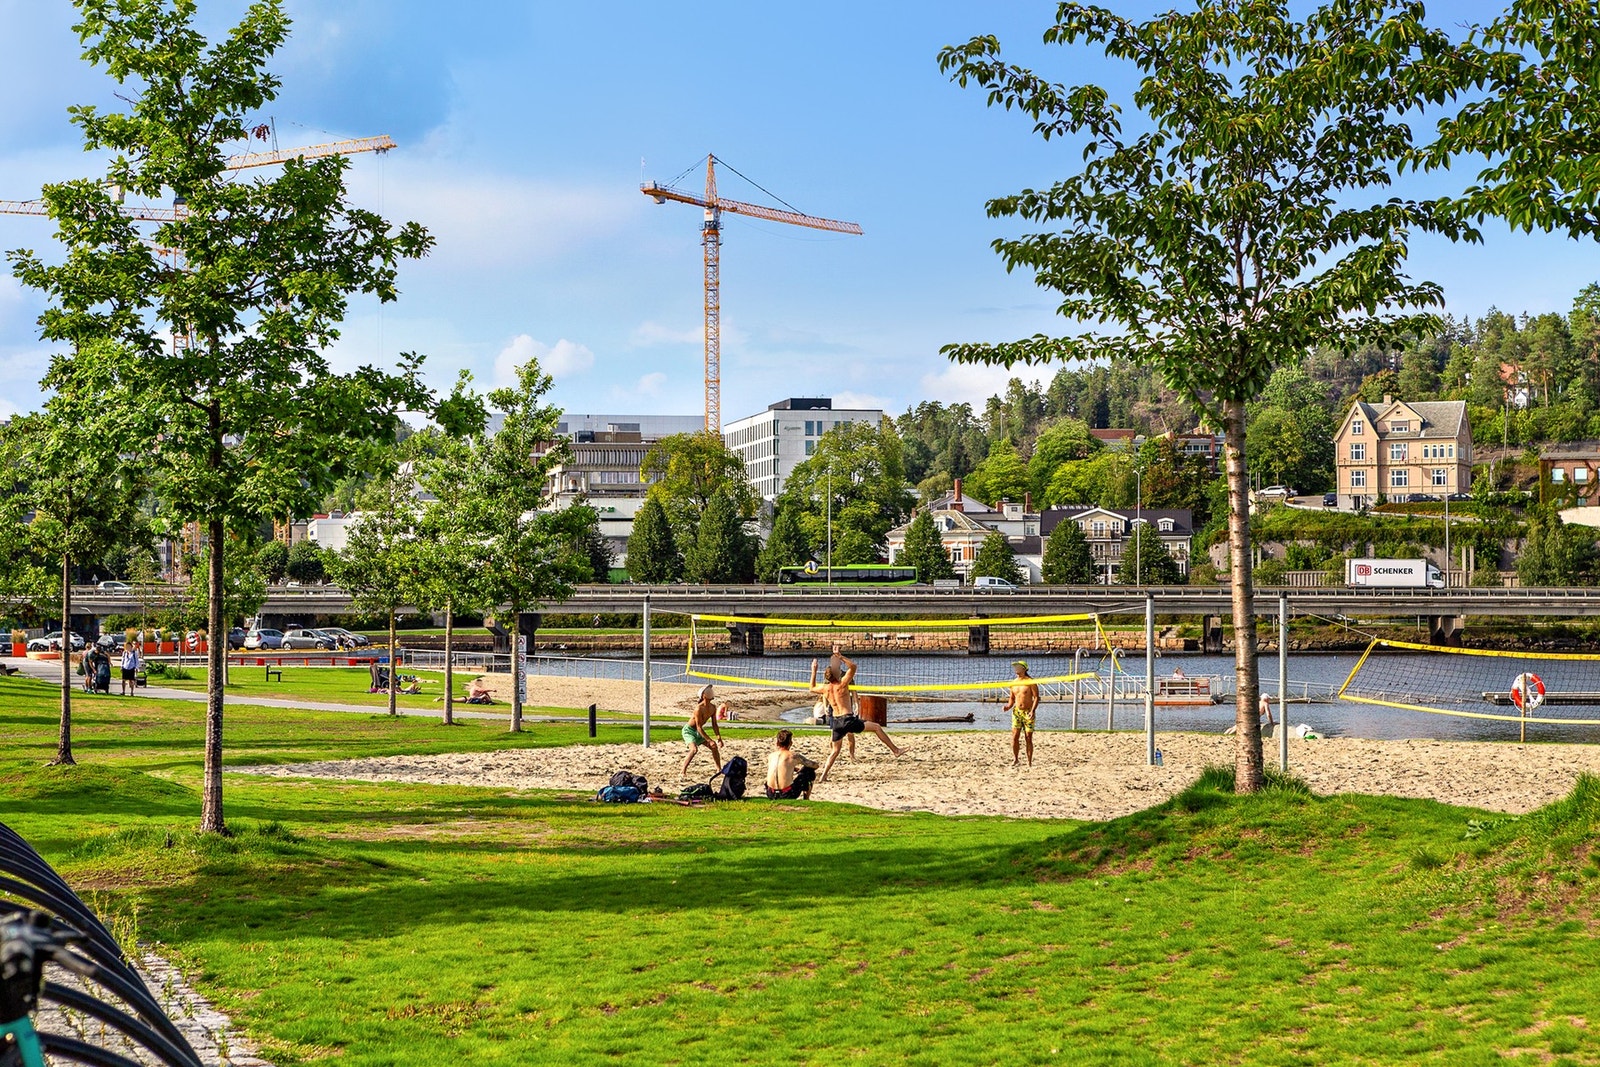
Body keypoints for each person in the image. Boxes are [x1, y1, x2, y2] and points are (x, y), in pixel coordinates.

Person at [812, 645, 901, 782]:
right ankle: (896, 750)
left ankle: (823, 776)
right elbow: (853, 667)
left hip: (836, 722)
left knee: (835, 751)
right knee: (877, 727)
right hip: (847, 719)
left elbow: (811, 687)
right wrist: (840, 656)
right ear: (836, 675)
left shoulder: (825, 688)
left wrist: (814, 670)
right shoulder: (842, 684)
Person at [680, 684, 725, 777]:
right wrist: (709, 740)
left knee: (714, 747)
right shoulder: (698, 709)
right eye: (708, 691)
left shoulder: (713, 707)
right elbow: (699, 727)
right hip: (689, 731)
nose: (711, 692)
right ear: (703, 695)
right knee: (694, 749)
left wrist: (719, 738)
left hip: (698, 731)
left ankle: (719, 769)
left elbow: (714, 724)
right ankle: (682, 771)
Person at [1003, 660, 1039, 767]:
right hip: (1017, 712)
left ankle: (1029, 762)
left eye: (1018, 667)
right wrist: (1008, 706)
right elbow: (1012, 698)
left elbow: (1036, 697)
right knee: (1015, 736)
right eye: (1015, 667)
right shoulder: (1013, 683)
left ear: (1024, 669)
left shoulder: (1030, 681)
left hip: (1028, 712)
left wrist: (1032, 711)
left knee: (1028, 737)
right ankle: (1016, 759)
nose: (1016, 669)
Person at [765, 729, 817, 799]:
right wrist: (801, 769)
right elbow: (815, 765)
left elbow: (778, 767)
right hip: (787, 794)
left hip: (771, 793)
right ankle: (806, 798)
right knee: (809, 771)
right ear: (791, 743)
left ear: (777, 743)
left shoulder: (771, 756)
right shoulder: (793, 756)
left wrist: (792, 768)